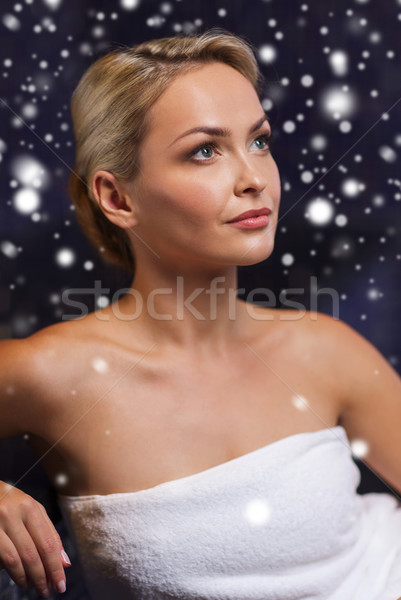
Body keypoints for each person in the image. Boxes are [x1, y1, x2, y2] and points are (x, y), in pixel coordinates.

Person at [0, 28, 401, 600]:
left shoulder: (323, 348)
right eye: (204, 151)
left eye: (259, 141)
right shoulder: (53, 372)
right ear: (118, 199)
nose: (255, 179)